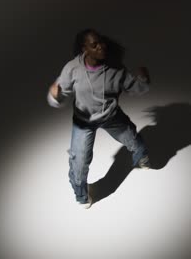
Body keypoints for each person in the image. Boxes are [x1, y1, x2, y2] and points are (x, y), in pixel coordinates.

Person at [47, 28, 151, 209]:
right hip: (83, 122)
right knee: (79, 161)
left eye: (101, 42)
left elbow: (134, 87)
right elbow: (59, 93)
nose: (100, 47)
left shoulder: (116, 68)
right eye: (94, 45)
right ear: (84, 49)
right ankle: (81, 196)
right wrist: (54, 96)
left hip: (111, 115)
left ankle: (141, 158)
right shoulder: (73, 68)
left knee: (133, 138)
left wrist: (143, 80)